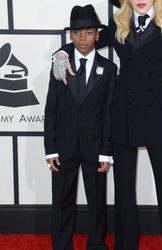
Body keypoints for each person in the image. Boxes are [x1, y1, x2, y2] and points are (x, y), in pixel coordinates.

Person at [52, 0, 162, 249]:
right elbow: (85, 43)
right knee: (123, 190)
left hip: (157, 114)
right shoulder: (117, 24)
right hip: (122, 113)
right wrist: (60, 54)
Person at [44, 4, 117, 250]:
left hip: (95, 146)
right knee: (62, 201)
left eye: (88, 33)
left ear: (97, 35)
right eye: (76, 33)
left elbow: (108, 112)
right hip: (63, 147)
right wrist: (50, 148)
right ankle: (61, 245)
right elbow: (50, 108)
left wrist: (106, 150)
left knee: (97, 201)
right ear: (69, 36)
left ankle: (96, 244)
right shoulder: (59, 64)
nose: (81, 38)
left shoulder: (109, 69)